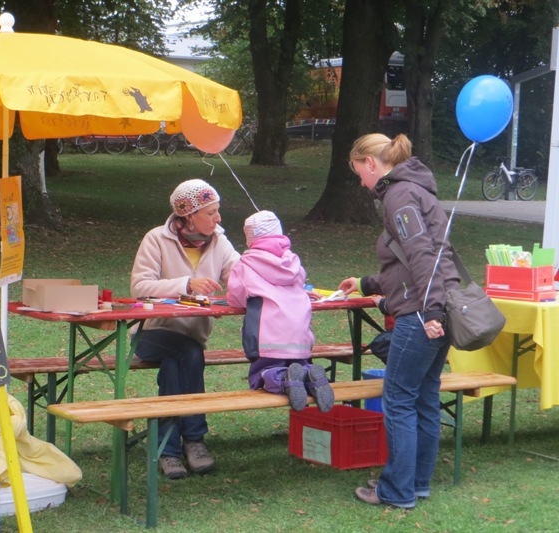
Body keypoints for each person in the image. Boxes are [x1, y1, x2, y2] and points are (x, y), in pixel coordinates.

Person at [337, 133, 460, 509]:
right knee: (424, 397)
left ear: (371, 164)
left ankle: (396, 491)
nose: (360, 181)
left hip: (423, 312)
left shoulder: (398, 195)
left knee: (399, 399)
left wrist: (431, 310)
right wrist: (366, 283)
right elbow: (409, 260)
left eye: (359, 171)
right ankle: (416, 483)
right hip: (438, 304)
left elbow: (422, 254)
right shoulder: (415, 189)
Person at [130, 178, 241, 480]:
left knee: (177, 362)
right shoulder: (156, 239)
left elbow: (241, 275)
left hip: (190, 337)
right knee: (188, 353)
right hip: (150, 334)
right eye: (211, 213)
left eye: (218, 211)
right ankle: (194, 440)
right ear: (188, 215)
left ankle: (167, 450)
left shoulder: (220, 241)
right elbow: (139, 287)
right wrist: (185, 285)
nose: (218, 219)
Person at [226, 210, 334, 412]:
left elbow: (236, 296)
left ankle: (282, 378)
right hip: (299, 334)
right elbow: (299, 283)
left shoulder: (246, 264)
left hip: (267, 336)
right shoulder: (293, 261)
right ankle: (311, 374)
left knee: (263, 372)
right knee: (299, 366)